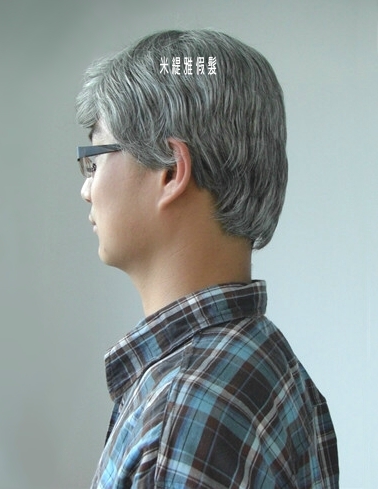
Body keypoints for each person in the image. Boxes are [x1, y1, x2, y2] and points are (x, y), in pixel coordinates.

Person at [76, 29, 339, 488]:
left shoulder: (181, 413)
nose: (86, 189)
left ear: (171, 170)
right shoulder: (272, 364)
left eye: (94, 161)